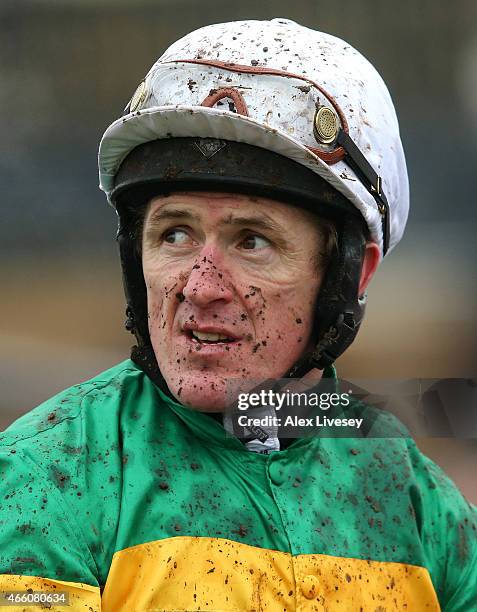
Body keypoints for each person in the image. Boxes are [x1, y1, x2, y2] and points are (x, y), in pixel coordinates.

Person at [0, 18, 476, 611]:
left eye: (252, 241)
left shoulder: (416, 500)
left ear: (352, 274)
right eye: (174, 233)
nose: (199, 288)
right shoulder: (43, 476)